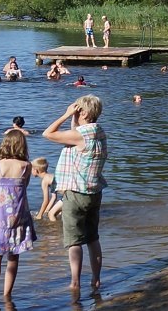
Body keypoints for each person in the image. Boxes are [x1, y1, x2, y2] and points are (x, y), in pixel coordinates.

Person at [42, 96, 108, 290]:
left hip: (75, 192)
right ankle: (96, 279)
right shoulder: (99, 131)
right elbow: (75, 133)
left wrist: (66, 114)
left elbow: (48, 133)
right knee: (93, 238)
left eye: (78, 111)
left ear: (84, 113)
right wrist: (75, 117)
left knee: (74, 241)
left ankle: (75, 282)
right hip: (94, 191)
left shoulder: (80, 135)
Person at [0, 129, 37, 298]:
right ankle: (7, 295)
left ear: (5, 144)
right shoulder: (26, 166)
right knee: (14, 256)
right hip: (19, 216)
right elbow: (23, 189)